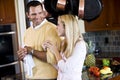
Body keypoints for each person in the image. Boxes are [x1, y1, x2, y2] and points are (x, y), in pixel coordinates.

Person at [17, 1, 61, 80]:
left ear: (44, 13)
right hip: (30, 77)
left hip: (49, 77)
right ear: (28, 15)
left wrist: (32, 51)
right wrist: (22, 56)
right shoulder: (27, 32)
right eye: (34, 14)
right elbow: (27, 58)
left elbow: (53, 58)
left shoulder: (52, 29)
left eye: (40, 13)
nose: (37, 16)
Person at [43, 14, 87, 80]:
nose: (56, 27)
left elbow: (65, 69)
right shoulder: (64, 43)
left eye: (58, 24)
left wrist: (55, 51)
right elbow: (60, 67)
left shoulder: (80, 45)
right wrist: (49, 50)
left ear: (66, 27)